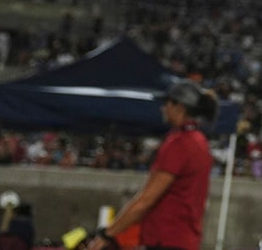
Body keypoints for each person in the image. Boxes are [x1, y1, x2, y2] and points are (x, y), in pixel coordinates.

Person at [86, 79, 219, 250]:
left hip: (166, 239)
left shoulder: (179, 143)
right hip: (186, 240)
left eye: (167, 103)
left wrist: (107, 234)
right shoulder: (200, 142)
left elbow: (147, 199)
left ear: (179, 106)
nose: (163, 108)